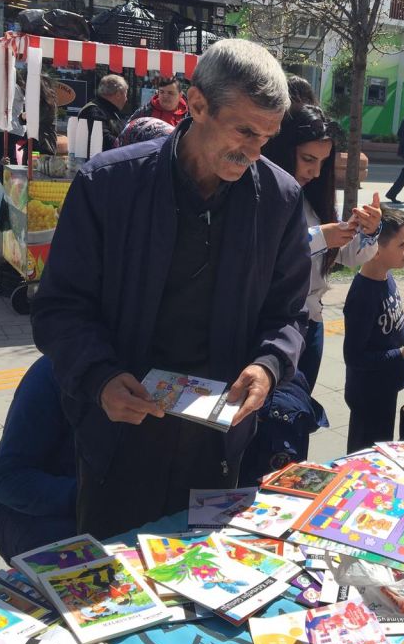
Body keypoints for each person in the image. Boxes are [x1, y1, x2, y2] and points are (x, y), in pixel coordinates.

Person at [31, 39, 310, 540]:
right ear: (197, 104)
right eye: (244, 131)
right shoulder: (110, 184)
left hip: (219, 440)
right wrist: (99, 377)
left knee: (202, 584)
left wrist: (268, 366)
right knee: (113, 588)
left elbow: (288, 314)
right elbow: (59, 307)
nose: (252, 151)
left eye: (265, 139)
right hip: (120, 430)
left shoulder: (280, 200)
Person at [261, 102, 381, 392]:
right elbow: (263, 252)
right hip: (273, 325)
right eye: (307, 159)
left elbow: (348, 255)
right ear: (284, 148)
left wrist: (369, 230)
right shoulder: (262, 190)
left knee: (300, 412)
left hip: (313, 322)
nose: (315, 172)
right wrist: (319, 237)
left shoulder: (314, 197)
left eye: (323, 162)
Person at [342, 207, 404, 452]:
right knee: (365, 455)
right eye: (401, 245)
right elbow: (354, 357)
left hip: (385, 387)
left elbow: (386, 323)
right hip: (369, 394)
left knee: (382, 447)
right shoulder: (363, 295)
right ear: (376, 251)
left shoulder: (386, 277)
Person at [0, 356, 76, 563]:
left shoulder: (157, 373)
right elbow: (10, 481)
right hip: (27, 510)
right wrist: (97, 496)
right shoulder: (52, 371)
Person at [78, 74, 128, 152]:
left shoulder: (108, 110)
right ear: (118, 95)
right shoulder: (93, 111)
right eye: (125, 94)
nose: (126, 99)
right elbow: (105, 140)